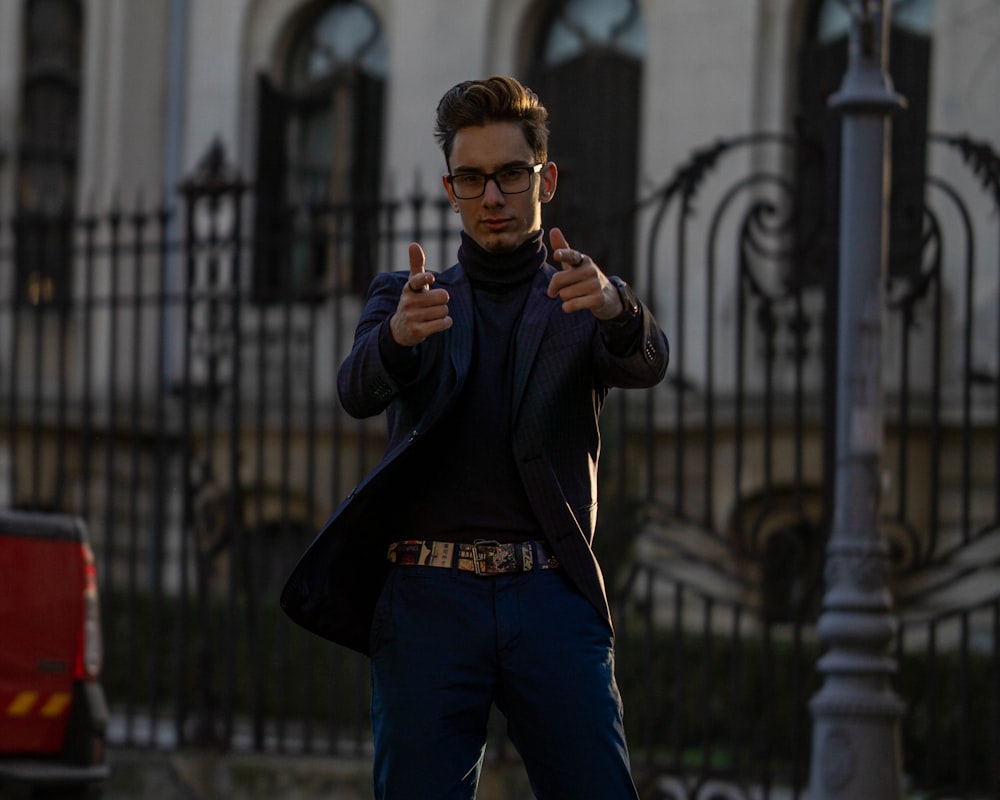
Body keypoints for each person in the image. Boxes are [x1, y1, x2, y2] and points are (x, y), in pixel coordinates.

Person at [281, 75, 669, 799]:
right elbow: (354, 389)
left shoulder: (580, 294)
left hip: (549, 595)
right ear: (450, 187)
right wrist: (397, 339)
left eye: (511, 176)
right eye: (472, 178)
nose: (492, 197)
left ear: (544, 178)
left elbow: (648, 361)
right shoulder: (408, 297)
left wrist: (618, 309)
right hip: (427, 597)